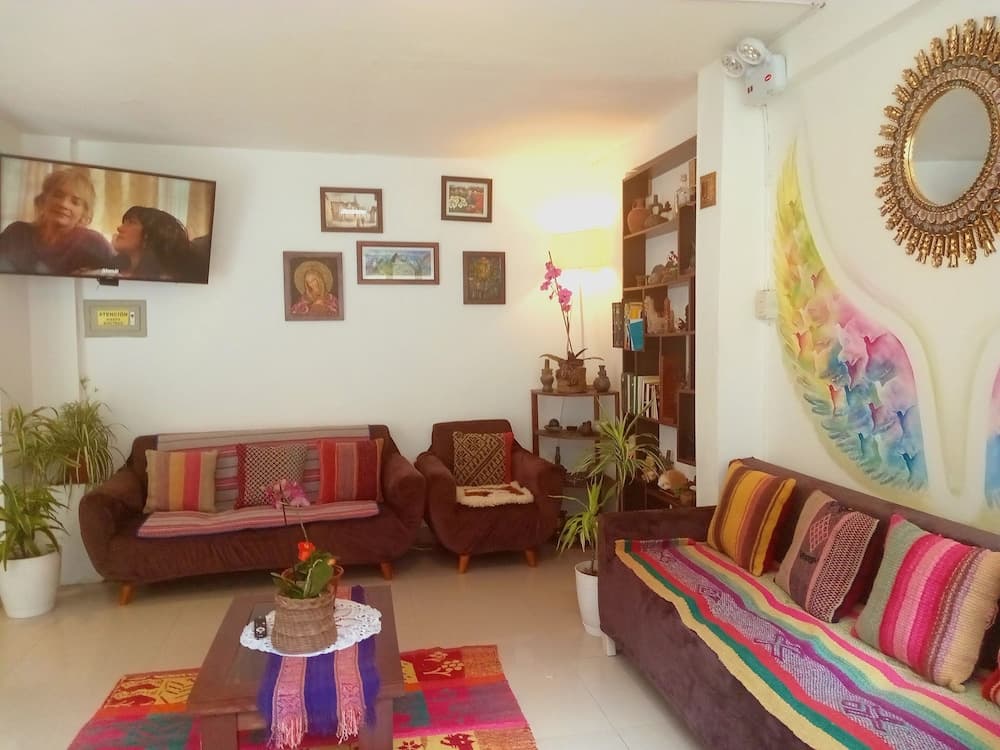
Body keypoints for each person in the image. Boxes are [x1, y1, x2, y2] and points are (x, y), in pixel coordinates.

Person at [0, 167, 115, 275]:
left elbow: (118, 272)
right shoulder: (16, 233)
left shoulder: (93, 243)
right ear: (44, 199)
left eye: (75, 202)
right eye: (58, 195)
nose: (63, 204)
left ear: (84, 213)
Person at [111, 206, 193, 280]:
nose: (119, 228)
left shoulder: (163, 281)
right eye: (124, 223)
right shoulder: (114, 269)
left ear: (151, 234)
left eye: (131, 222)